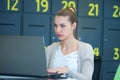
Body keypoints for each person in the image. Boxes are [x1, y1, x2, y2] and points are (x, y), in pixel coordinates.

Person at [46, 7, 94, 80]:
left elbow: (87, 78)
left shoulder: (86, 49)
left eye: (62, 26)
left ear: (73, 26)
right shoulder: (51, 48)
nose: (58, 30)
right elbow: (41, 74)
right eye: (55, 25)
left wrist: (67, 71)